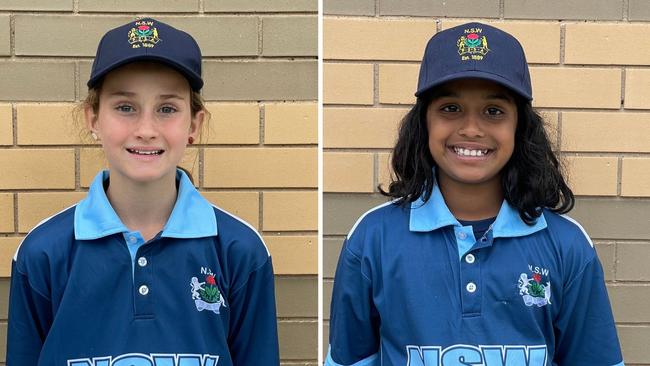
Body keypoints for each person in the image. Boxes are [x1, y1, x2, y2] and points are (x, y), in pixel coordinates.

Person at [326, 22, 624, 366]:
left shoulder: (567, 245)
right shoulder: (373, 239)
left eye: (493, 111)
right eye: (450, 108)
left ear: (520, 127)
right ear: (424, 122)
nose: (470, 129)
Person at [7, 18, 280, 366]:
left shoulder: (239, 250)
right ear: (93, 119)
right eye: (125, 107)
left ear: (193, 124)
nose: (146, 129)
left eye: (167, 109)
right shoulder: (43, 253)